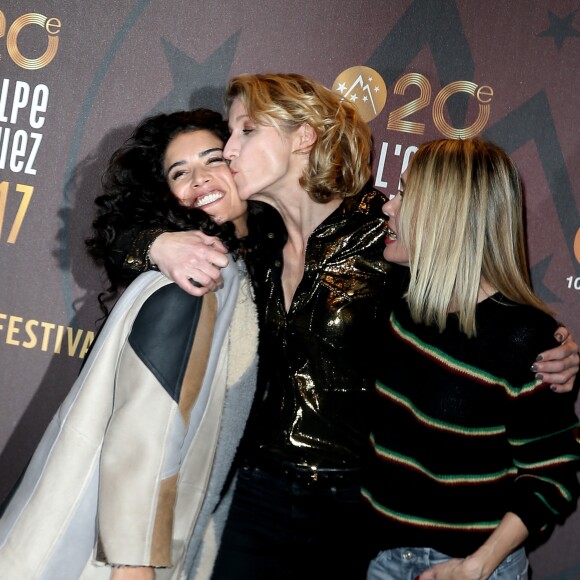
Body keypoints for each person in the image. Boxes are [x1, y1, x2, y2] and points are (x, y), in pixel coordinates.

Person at [107, 74, 579, 579]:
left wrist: (551, 346)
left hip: (355, 508)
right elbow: (120, 233)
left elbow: (473, 294)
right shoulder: (253, 237)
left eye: (245, 131)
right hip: (254, 491)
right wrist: (158, 243)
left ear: (303, 137)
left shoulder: (386, 231)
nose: (229, 149)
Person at [0, 109, 259, 580]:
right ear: (167, 194)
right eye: (180, 172)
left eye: (213, 160)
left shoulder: (235, 272)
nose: (199, 179)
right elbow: (146, 428)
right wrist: (134, 562)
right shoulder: (192, 278)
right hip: (110, 555)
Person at [363, 138, 580, 580]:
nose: (388, 206)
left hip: (469, 567)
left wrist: (476, 567)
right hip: (378, 554)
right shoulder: (396, 296)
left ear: (448, 216)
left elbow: (551, 476)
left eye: (406, 195)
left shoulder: (526, 340)